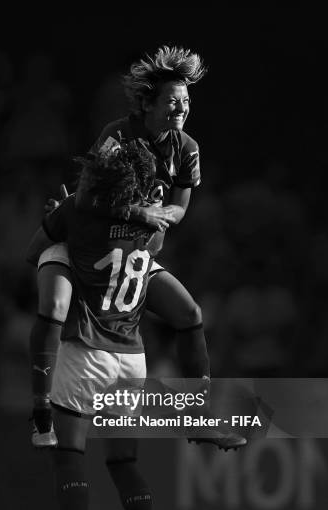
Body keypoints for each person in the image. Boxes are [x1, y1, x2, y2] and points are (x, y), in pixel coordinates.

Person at [27, 45, 246, 450]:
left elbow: (180, 208)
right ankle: (42, 408)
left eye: (186, 100)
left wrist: (161, 214)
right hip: (96, 249)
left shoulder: (188, 148)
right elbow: (88, 198)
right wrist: (139, 213)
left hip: (136, 255)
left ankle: (197, 418)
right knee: (50, 297)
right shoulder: (117, 134)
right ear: (148, 103)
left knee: (190, 313)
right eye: (172, 100)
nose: (181, 107)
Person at [45, 140, 168, 510]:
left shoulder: (78, 213)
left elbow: (38, 248)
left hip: (85, 348)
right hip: (131, 355)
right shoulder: (152, 230)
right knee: (123, 460)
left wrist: (60, 212)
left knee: (69, 454)